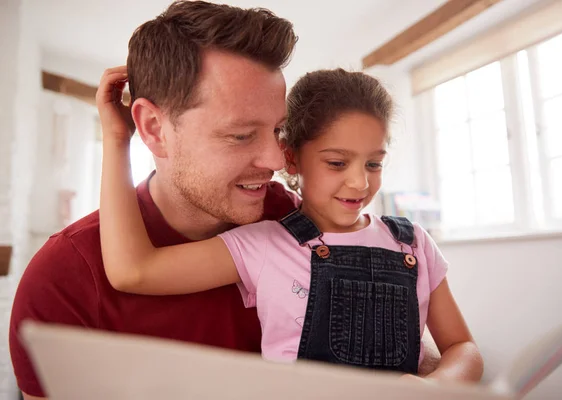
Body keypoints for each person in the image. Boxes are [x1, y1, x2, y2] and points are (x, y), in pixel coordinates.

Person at [98, 67, 484, 382]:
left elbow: (462, 349)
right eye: (337, 163)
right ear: (291, 159)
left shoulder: (413, 243)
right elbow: (134, 271)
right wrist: (117, 141)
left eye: (374, 163)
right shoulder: (262, 244)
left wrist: (435, 387)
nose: (360, 183)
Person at [9, 2, 299, 398]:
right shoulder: (64, 278)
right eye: (241, 135)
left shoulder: (300, 226)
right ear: (153, 128)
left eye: (278, 130)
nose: (275, 161)